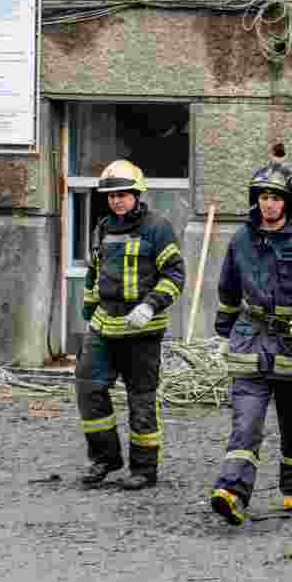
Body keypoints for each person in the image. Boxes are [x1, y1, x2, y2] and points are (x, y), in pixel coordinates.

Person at [209, 158, 292, 526]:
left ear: (288, 201)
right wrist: (224, 335)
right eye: (263, 197)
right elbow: (228, 290)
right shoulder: (241, 239)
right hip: (250, 343)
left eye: (276, 197)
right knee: (246, 423)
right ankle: (232, 493)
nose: (269, 204)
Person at [77, 160, 186, 490]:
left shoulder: (158, 228)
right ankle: (104, 458)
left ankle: (144, 469)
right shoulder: (102, 228)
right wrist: (88, 305)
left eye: (123, 194)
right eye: (111, 196)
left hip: (142, 331)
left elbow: (175, 276)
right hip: (104, 325)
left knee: (141, 399)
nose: (116, 201)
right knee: (89, 388)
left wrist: (150, 305)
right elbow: (93, 272)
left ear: (137, 195)